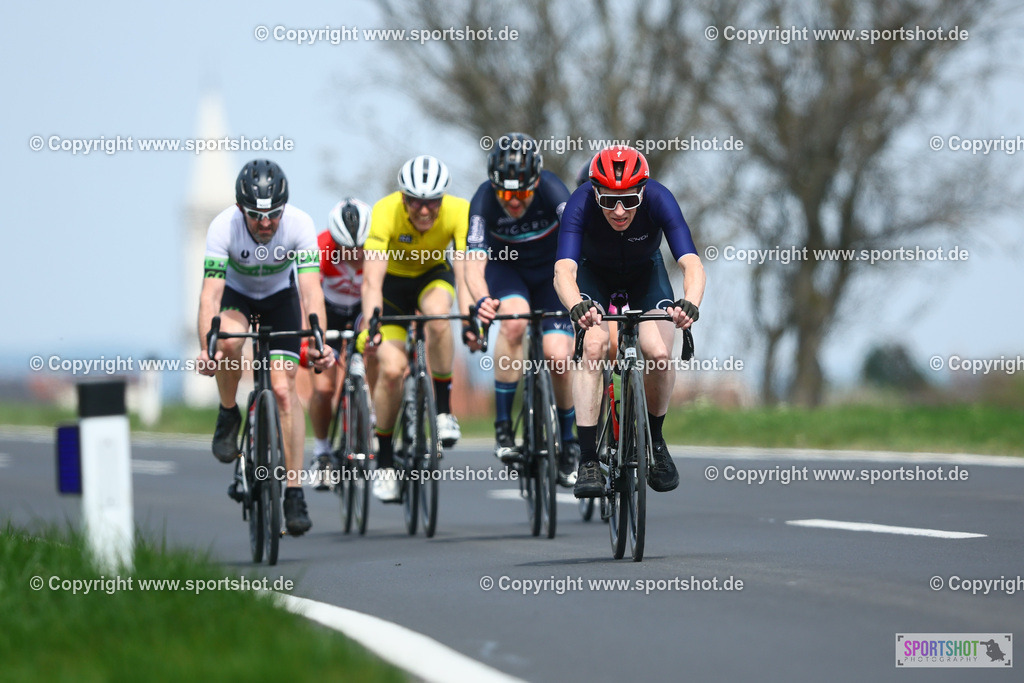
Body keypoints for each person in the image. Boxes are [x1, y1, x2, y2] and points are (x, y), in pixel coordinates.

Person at [553, 145, 706, 498]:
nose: (620, 211)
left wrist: (691, 304)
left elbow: (692, 263)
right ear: (595, 193)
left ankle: (657, 442)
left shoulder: (660, 198)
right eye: (609, 202)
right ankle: (588, 460)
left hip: (645, 275)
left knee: (658, 353)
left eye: (629, 201)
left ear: (643, 191)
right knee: (594, 347)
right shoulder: (579, 202)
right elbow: (563, 270)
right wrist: (576, 305)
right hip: (594, 276)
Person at [197, 159, 335, 535]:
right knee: (227, 342)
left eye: (273, 214)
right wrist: (207, 348)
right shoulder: (222, 226)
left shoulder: (299, 225)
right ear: (240, 208)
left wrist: (319, 341)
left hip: (280, 299)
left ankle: (294, 491)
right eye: (256, 216)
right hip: (237, 296)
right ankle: (228, 413)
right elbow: (210, 297)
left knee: (284, 389)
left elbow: (311, 293)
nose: (265, 224)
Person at [464, 132, 579, 486]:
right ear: (494, 187)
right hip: (507, 272)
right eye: (506, 194)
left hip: (551, 276)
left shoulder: (553, 190)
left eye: (522, 193)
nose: (514, 202)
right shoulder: (483, 199)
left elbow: (580, 239)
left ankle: (569, 441)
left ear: (536, 183)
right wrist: (482, 300)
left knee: (558, 356)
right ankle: (502, 428)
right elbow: (473, 264)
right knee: (513, 323)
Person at [360, 155, 471, 502]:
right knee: (392, 371)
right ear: (403, 198)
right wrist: (373, 322)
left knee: (438, 316)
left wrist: (470, 319)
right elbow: (371, 279)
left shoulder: (459, 211)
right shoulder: (384, 211)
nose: (424, 210)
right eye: (415, 202)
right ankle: (385, 463)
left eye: (432, 202)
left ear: (443, 199)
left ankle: (443, 411)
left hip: (432, 276)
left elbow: (465, 272)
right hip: (391, 289)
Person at [307, 198, 372, 490]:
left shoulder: (378, 246)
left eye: (360, 248)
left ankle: (371, 413)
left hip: (361, 310)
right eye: (348, 249)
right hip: (328, 313)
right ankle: (322, 451)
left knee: (378, 349)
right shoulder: (320, 247)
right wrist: (313, 341)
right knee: (323, 388)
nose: (355, 255)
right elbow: (308, 297)